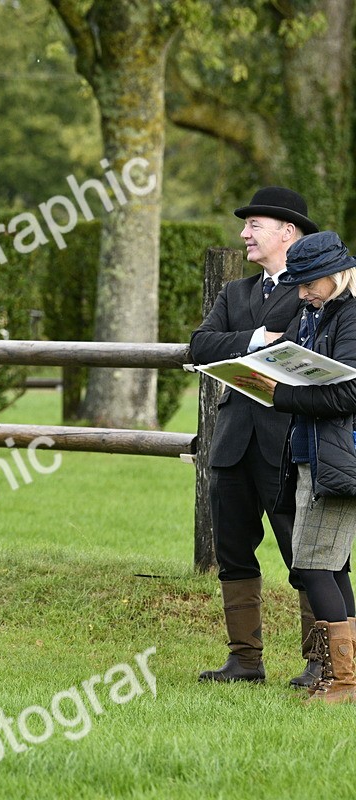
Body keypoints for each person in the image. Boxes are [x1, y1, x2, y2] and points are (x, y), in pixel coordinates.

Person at [190, 187, 318, 685]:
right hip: (233, 443)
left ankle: (322, 661)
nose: (243, 233)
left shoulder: (316, 290)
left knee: (305, 555)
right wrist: (254, 341)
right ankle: (245, 661)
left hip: (288, 444)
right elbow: (200, 346)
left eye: (254, 225)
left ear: (287, 232)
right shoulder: (235, 293)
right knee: (233, 552)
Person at [233, 231, 356, 703]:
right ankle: (342, 674)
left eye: (309, 284)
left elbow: (348, 391)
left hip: (338, 456)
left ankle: (341, 680)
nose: (301, 292)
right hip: (310, 453)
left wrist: (281, 394)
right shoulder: (315, 313)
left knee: (313, 564)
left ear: (335, 274)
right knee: (332, 567)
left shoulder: (350, 316)